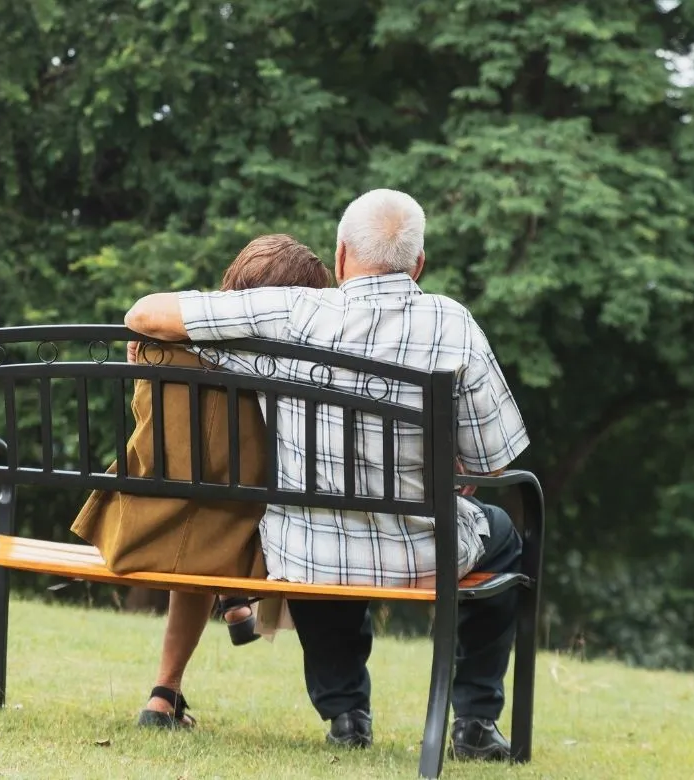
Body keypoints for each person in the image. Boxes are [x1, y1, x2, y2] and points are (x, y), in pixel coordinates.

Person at [123, 189, 529, 760]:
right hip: (423, 554)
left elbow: (143, 314)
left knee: (321, 539)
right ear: (418, 265)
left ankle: (344, 711)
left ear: (340, 257)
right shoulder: (454, 323)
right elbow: (494, 463)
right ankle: (475, 721)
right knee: (505, 533)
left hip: (307, 553)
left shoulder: (290, 311)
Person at [71, 233, 332, 728]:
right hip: (229, 542)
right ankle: (230, 604)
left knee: (195, 503)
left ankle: (164, 695)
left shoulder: (158, 348)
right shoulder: (287, 368)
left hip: (137, 527)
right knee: (215, 509)